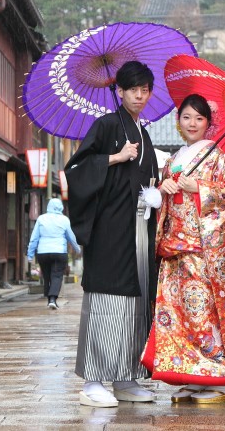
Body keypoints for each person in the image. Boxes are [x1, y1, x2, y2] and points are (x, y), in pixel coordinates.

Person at [141, 93, 225, 404]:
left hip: (204, 250)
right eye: (187, 117)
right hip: (175, 249)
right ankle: (193, 375)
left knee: (206, 314)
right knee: (180, 315)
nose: (192, 123)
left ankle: (222, 376)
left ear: (208, 124)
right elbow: (165, 200)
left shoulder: (217, 156)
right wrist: (164, 189)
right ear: (178, 121)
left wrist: (198, 187)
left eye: (199, 118)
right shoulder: (174, 159)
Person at [64, 60, 161, 408]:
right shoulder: (105, 126)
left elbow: (147, 179)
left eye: (145, 88)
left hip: (138, 230)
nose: (139, 94)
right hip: (109, 231)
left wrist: (156, 193)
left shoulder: (144, 133)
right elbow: (74, 170)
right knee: (107, 300)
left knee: (136, 301)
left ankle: (125, 376)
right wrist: (114, 158)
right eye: (133, 88)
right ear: (118, 91)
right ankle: (93, 380)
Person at [26, 198, 80, 310]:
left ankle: (48, 298)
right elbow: (71, 237)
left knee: (47, 276)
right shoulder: (64, 220)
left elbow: (34, 238)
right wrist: (77, 248)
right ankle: (52, 299)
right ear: (61, 207)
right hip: (59, 252)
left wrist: (30, 254)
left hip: (43, 253)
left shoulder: (41, 219)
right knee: (56, 275)